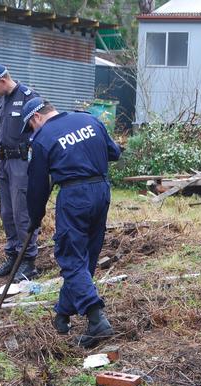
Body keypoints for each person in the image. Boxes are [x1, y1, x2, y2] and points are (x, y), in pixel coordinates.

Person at [22, 97, 121, 348]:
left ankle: (96, 318)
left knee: (70, 257)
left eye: (30, 127)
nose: (33, 131)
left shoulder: (43, 138)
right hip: (101, 191)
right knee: (85, 256)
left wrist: (35, 217)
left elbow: (36, 186)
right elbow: (114, 152)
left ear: (36, 118)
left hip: (74, 196)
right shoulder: (89, 120)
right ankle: (63, 312)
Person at [0, 63, 39, 281]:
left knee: (21, 212)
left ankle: (28, 261)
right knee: (6, 213)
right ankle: (13, 256)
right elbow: (2, 131)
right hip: (4, 162)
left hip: (22, 163)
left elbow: (43, 127)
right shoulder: (2, 99)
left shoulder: (28, 97)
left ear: (2, 81)